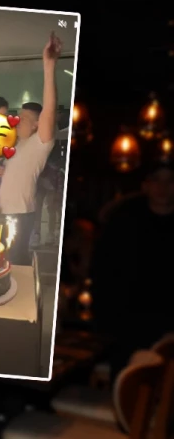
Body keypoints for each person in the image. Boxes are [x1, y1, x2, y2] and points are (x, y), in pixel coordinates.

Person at [90, 159, 174, 380]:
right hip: (126, 327)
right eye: (156, 180)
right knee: (125, 386)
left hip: (168, 326)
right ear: (146, 185)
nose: (163, 187)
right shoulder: (125, 222)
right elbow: (103, 272)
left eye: (169, 181)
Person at [0, 32, 62, 266]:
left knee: (15, 263)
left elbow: (49, 111)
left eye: (23, 118)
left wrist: (49, 65)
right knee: (1, 261)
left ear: (37, 125)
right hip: (5, 212)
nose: (17, 121)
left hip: (20, 214)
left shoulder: (39, 144)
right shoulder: (18, 145)